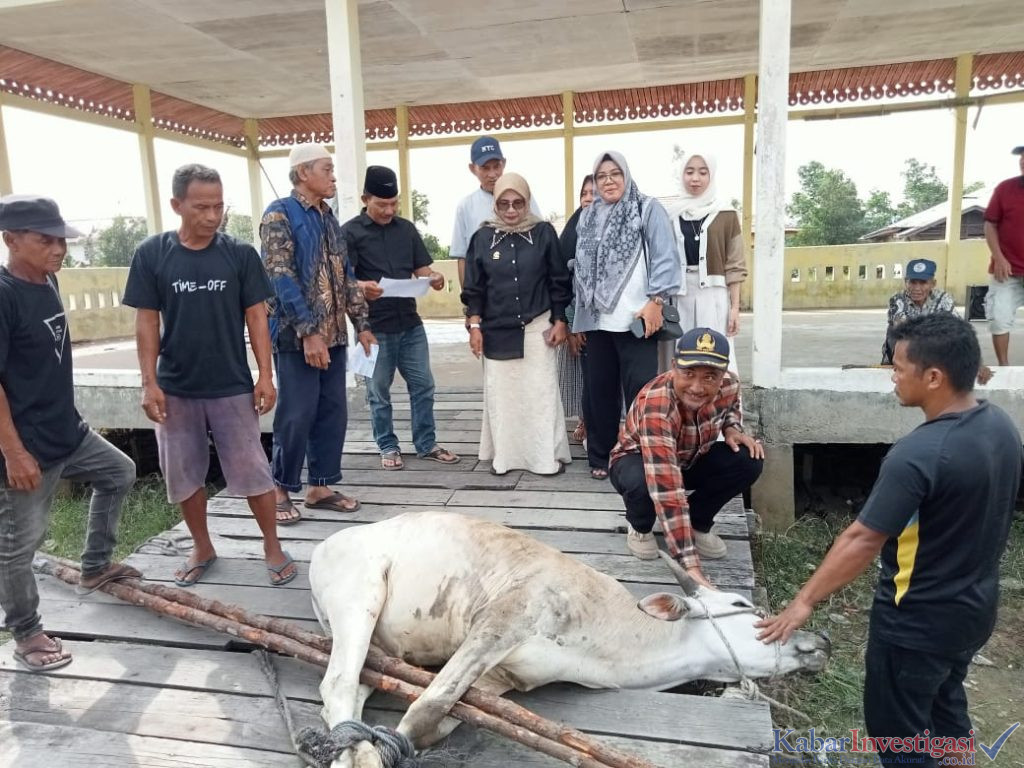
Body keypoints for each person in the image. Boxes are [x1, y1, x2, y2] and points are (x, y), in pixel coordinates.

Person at [756, 313, 1021, 768]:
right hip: (974, 612)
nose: (892, 378)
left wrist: (803, 601)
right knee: (944, 703)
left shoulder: (917, 455)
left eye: (899, 368)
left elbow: (862, 538)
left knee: (899, 735)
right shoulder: (1000, 426)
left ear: (934, 376)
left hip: (916, 624)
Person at [123, 164, 296, 588]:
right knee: (183, 474)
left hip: (231, 385)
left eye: (219, 206)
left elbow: (257, 317)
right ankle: (202, 545)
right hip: (176, 388)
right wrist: (149, 383)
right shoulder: (152, 254)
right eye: (202, 206)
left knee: (253, 471)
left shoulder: (238, 254)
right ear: (176, 205)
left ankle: (272, 545)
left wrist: (265, 376)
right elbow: (147, 323)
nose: (213, 215)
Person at [0, 195, 139, 671]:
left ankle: (95, 566)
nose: (59, 249)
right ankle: (26, 632)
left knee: (119, 472)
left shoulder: (49, 281)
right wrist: (14, 452)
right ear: (11, 240)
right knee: (20, 545)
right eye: (46, 240)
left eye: (61, 239)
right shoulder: (4, 295)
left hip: (67, 432)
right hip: (27, 448)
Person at [261, 144, 375, 520]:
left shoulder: (328, 217)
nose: (333, 176)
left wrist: (362, 324)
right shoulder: (280, 214)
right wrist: (309, 332)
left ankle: (319, 486)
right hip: (296, 338)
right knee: (296, 413)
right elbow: (280, 278)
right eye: (327, 169)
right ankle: (281, 488)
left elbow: (346, 276)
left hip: (334, 336)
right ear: (303, 173)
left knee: (332, 411)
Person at [608, 328, 763, 574]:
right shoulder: (657, 401)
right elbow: (666, 483)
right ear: (673, 367)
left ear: (722, 374)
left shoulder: (730, 385)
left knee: (748, 459)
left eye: (710, 377)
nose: (697, 387)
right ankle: (640, 525)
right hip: (640, 461)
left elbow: (732, 406)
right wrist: (690, 566)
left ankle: (697, 522)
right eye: (688, 373)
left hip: (689, 460)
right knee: (640, 483)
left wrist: (733, 428)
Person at [340, 166, 459, 470]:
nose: (389, 210)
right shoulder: (350, 233)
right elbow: (341, 282)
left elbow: (423, 269)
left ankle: (426, 443)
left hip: (410, 323)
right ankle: (388, 445)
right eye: (382, 204)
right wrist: (362, 287)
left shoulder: (406, 229)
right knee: (378, 391)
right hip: (373, 327)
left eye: (394, 203)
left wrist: (433, 277)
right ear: (366, 198)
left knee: (423, 385)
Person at [572, 150, 681, 479]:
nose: (608, 181)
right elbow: (579, 266)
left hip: (637, 321)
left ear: (627, 175)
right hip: (596, 321)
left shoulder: (647, 209)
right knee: (599, 392)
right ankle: (601, 457)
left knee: (641, 394)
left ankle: (640, 454)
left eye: (615, 174)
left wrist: (657, 300)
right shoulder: (588, 217)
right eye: (601, 176)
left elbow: (665, 257)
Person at [461, 173, 572, 475]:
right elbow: (474, 289)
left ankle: (543, 457)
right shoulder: (482, 238)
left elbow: (559, 280)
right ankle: (506, 458)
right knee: (504, 397)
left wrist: (560, 319)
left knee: (539, 394)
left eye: (518, 203)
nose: (511, 211)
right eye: (504, 204)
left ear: (527, 202)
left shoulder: (543, 232)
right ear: (495, 204)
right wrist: (474, 327)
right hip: (496, 330)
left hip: (538, 327)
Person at [667, 151, 746, 373]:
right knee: (681, 357)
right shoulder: (670, 214)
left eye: (703, 172)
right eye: (689, 171)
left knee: (713, 353)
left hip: (714, 298)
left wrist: (735, 308)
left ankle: (721, 405)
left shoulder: (726, 214)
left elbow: (735, 265)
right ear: (681, 175)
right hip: (678, 298)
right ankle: (680, 407)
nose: (695, 178)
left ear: (711, 175)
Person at [449, 136, 542, 289]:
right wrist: (469, 303)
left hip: (526, 293)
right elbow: (463, 258)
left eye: (496, 166)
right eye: (485, 168)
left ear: (504, 164)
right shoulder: (466, 207)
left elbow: (540, 239)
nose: (492, 174)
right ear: (473, 169)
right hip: (486, 298)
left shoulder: (524, 198)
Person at [558, 174, 594, 444]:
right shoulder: (571, 231)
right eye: (584, 193)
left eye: (594, 193)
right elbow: (561, 282)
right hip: (576, 316)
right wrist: (572, 325)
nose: (588, 198)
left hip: (609, 320)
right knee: (580, 369)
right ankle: (585, 419)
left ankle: (606, 422)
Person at [984, 144, 1024, 367]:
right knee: (999, 318)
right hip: (1006, 271)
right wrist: (998, 257)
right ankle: (1004, 367)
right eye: (1021, 157)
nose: (1023, 161)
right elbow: (990, 224)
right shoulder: (1004, 189)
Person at [880, 258, 954, 364]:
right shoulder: (898, 299)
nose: (917, 288)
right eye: (913, 282)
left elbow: (957, 330)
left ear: (933, 284)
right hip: (900, 361)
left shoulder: (943, 299)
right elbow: (903, 331)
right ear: (906, 282)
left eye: (923, 283)